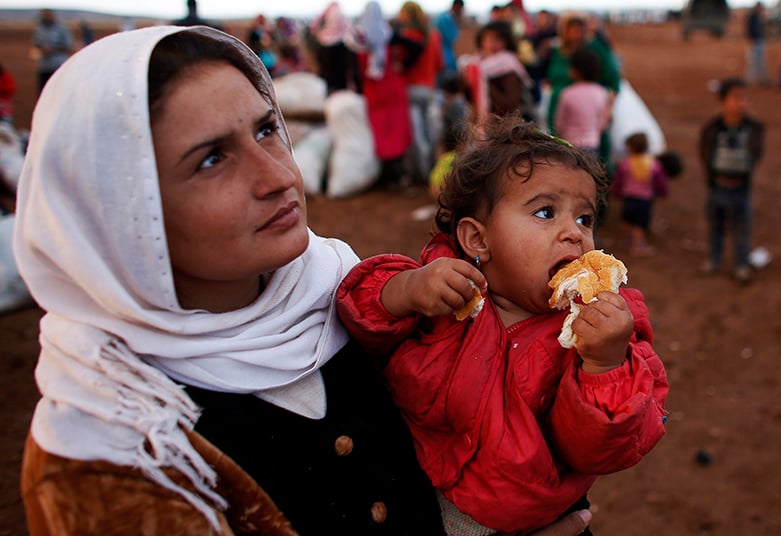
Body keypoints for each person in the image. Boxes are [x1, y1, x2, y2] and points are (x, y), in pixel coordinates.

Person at [14, 25, 593, 536]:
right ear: (119, 211)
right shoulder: (109, 446)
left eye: (267, 129)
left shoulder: (345, 289)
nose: (278, 175)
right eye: (211, 159)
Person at [337, 115, 670, 535]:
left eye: (585, 219)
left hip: (506, 520)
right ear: (478, 240)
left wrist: (604, 365)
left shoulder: (595, 329)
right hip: (407, 490)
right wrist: (404, 289)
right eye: (546, 212)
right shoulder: (443, 289)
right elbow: (359, 314)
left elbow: (600, 450)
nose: (574, 234)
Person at [699, 77, 765, 283]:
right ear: (722, 102)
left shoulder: (753, 128)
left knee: (741, 228)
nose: (741, 104)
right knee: (716, 226)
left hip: (741, 187)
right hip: (718, 185)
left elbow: (756, 154)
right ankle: (714, 259)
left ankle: (741, 264)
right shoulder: (712, 129)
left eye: (745, 99)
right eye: (736, 99)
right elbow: (705, 153)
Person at [344, 1, 413, 189]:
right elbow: (416, 46)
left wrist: (358, 89)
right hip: (393, 88)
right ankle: (399, 175)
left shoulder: (357, 39)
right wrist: (404, 66)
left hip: (374, 91)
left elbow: (355, 71)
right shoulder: (388, 34)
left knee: (380, 132)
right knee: (396, 131)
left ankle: (388, 175)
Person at [393, 1, 445, 182]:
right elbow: (440, 64)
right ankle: (434, 171)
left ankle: (423, 175)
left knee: (417, 135)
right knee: (432, 133)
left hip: (410, 90)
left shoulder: (406, 36)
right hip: (430, 89)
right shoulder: (434, 35)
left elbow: (399, 65)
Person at [461, 20, 535, 121]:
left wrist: (483, 81)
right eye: (488, 39)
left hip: (504, 127)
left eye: (497, 40)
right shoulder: (476, 64)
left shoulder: (509, 67)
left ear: (506, 42)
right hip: (482, 124)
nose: (492, 44)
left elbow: (510, 105)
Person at [612, 132, 669, 257]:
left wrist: (616, 193)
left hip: (628, 197)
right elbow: (660, 181)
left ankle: (625, 240)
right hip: (644, 200)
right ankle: (637, 246)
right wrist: (662, 192)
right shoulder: (653, 164)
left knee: (626, 219)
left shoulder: (626, 163)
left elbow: (619, 180)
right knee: (639, 223)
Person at [553, 45, 612, 151]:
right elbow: (603, 122)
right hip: (593, 145)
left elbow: (559, 124)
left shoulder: (567, 94)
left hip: (570, 145)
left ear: (576, 70)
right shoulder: (601, 93)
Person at [31, 8, 73, 93]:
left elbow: (68, 46)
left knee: (59, 92)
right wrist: (41, 48)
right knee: (43, 92)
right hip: (44, 67)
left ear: (53, 16)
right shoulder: (39, 29)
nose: (45, 17)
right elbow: (35, 43)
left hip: (58, 66)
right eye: (43, 15)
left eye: (47, 15)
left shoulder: (62, 29)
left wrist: (52, 49)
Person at [435, 0, 465, 87]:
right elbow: (451, 37)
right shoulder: (446, 19)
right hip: (444, 56)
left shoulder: (444, 16)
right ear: (458, 6)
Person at [745, 2, 770, 87]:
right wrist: (752, 41)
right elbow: (750, 29)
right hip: (755, 42)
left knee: (761, 62)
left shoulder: (758, 17)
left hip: (759, 41)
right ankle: (750, 80)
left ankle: (762, 79)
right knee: (754, 62)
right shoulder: (753, 17)